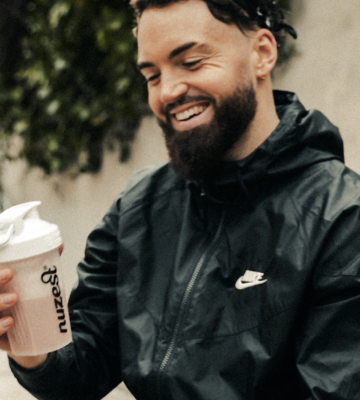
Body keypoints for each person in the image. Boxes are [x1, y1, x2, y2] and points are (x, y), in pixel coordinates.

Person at [2, 0, 360, 398]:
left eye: (191, 62)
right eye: (152, 75)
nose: (167, 92)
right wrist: (27, 332)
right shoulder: (138, 206)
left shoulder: (341, 217)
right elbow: (81, 370)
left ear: (262, 53)